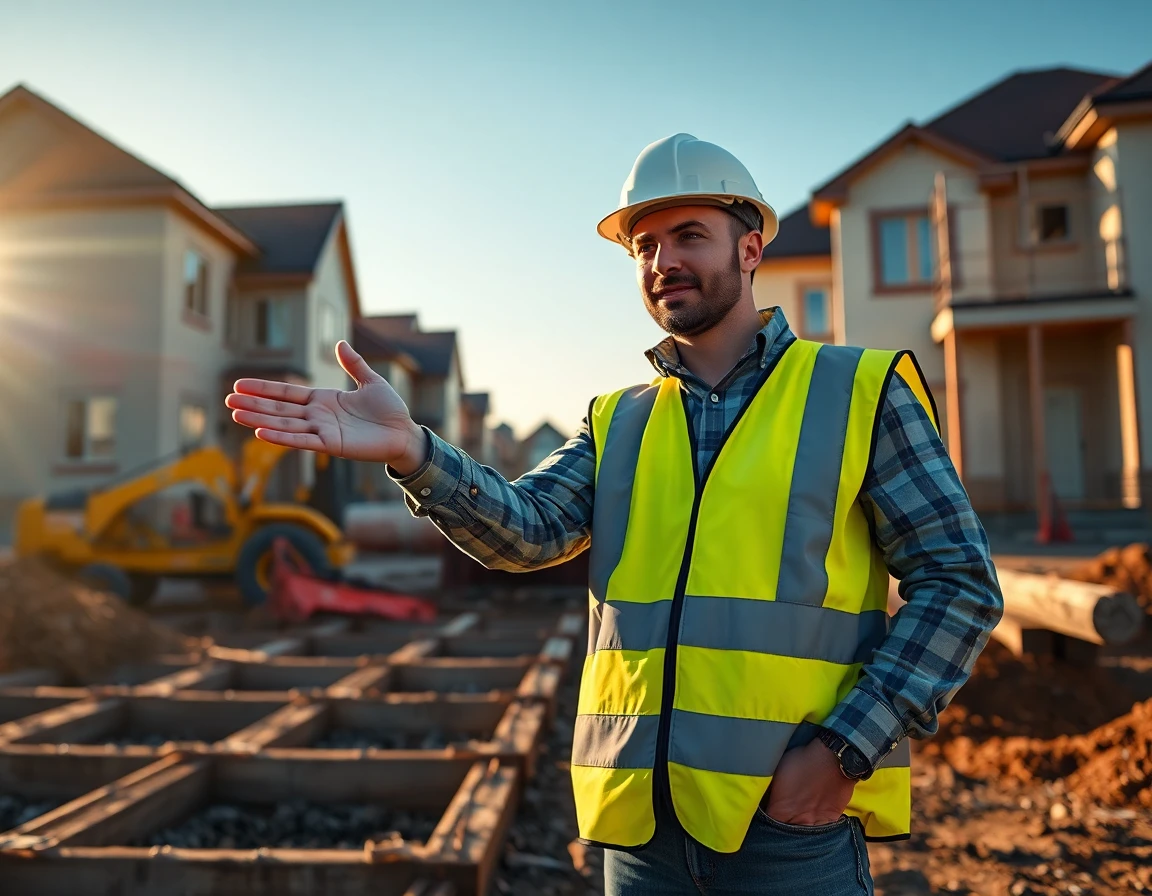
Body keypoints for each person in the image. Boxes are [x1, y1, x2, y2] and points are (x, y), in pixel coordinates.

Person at [226, 133, 1003, 895]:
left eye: (689, 235)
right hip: (639, 837)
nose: (663, 262)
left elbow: (959, 583)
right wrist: (415, 452)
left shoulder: (858, 390)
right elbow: (529, 533)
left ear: (751, 249)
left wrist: (842, 754)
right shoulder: (619, 419)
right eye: (645, 245)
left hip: (788, 832)